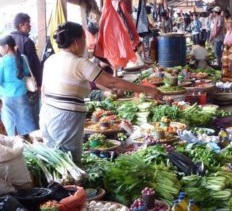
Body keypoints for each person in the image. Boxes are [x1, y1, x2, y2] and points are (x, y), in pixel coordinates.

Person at [40, 22, 161, 163]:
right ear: (77, 41)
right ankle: (72, 185)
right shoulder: (79, 62)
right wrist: (147, 89)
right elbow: (112, 82)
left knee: (53, 160)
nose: (85, 44)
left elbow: (43, 90)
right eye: (84, 40)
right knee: (70, 161)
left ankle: (54, 185)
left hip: (47, 113)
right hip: (64, 117)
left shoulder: (51, 60)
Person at [0, 35, 36, 136]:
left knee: (10, 123)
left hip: (7, 97)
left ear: (6, 47)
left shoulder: (2, 61)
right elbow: (25, 72)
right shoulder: (23, 58)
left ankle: (14, 143)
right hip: (21, 94)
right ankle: (31, 141)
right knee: (26, 120)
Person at [11, 13, 42, 128]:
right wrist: (39, 84)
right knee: (32, 114)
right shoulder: (27, 42)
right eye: (28, 23)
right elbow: (35, 66)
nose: (30, 26)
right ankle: (33, 137)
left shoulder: (8, 40)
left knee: (17, 116)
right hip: (28, 86)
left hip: (13, 88)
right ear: (20, 25)